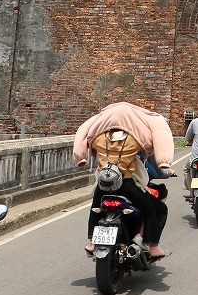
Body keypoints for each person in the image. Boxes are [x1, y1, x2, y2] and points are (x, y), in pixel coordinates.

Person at [72, 101, 174, 260]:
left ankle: (92, 242)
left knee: (94, 209)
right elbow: (152, 140)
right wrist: (164, 160)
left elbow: (85, 135)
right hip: (125, 185)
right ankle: (152, 246)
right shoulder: (134, 139)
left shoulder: (99, 137)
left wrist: (80, 157)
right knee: (155, 209)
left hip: (103, 185)